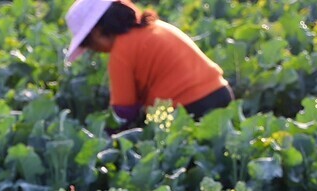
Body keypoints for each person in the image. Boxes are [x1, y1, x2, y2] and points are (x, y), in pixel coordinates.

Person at [65, 0, 234, 128]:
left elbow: (124, 112)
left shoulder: (120, 53)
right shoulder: (158, 27)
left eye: (90, 45)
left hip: (187, 109)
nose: (96, 51)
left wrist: (108, 137)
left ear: (98, 33)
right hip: (221, 93)